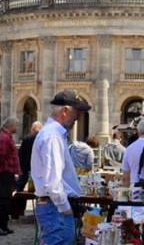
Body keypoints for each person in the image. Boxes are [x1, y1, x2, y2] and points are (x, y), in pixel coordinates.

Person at [31, 90, 92, 244]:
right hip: (56, 207)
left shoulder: (53, 134)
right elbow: (53, 182)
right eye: (76, 112)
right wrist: (65, 208)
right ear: (65, 111)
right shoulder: (53, 136)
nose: (78, 117)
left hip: (53, 206)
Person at [0, 117, 20, 236]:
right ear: (11, 126)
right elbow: (0, 156)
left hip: (9, 172)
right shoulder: (4, 137)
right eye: (16, 126)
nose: (17, 128)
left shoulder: (7, 137)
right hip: (5, 172)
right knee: (2, 201)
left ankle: (3, 225)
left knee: (6, 201)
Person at [17, 121, 43, 192]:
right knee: (40, 188)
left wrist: (20, 167)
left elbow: (21, 154)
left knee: (20, 187)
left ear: (32, 129)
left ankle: (19, 202)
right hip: (39, 168)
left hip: (26, 167)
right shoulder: (44, 139)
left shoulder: (27, 138)